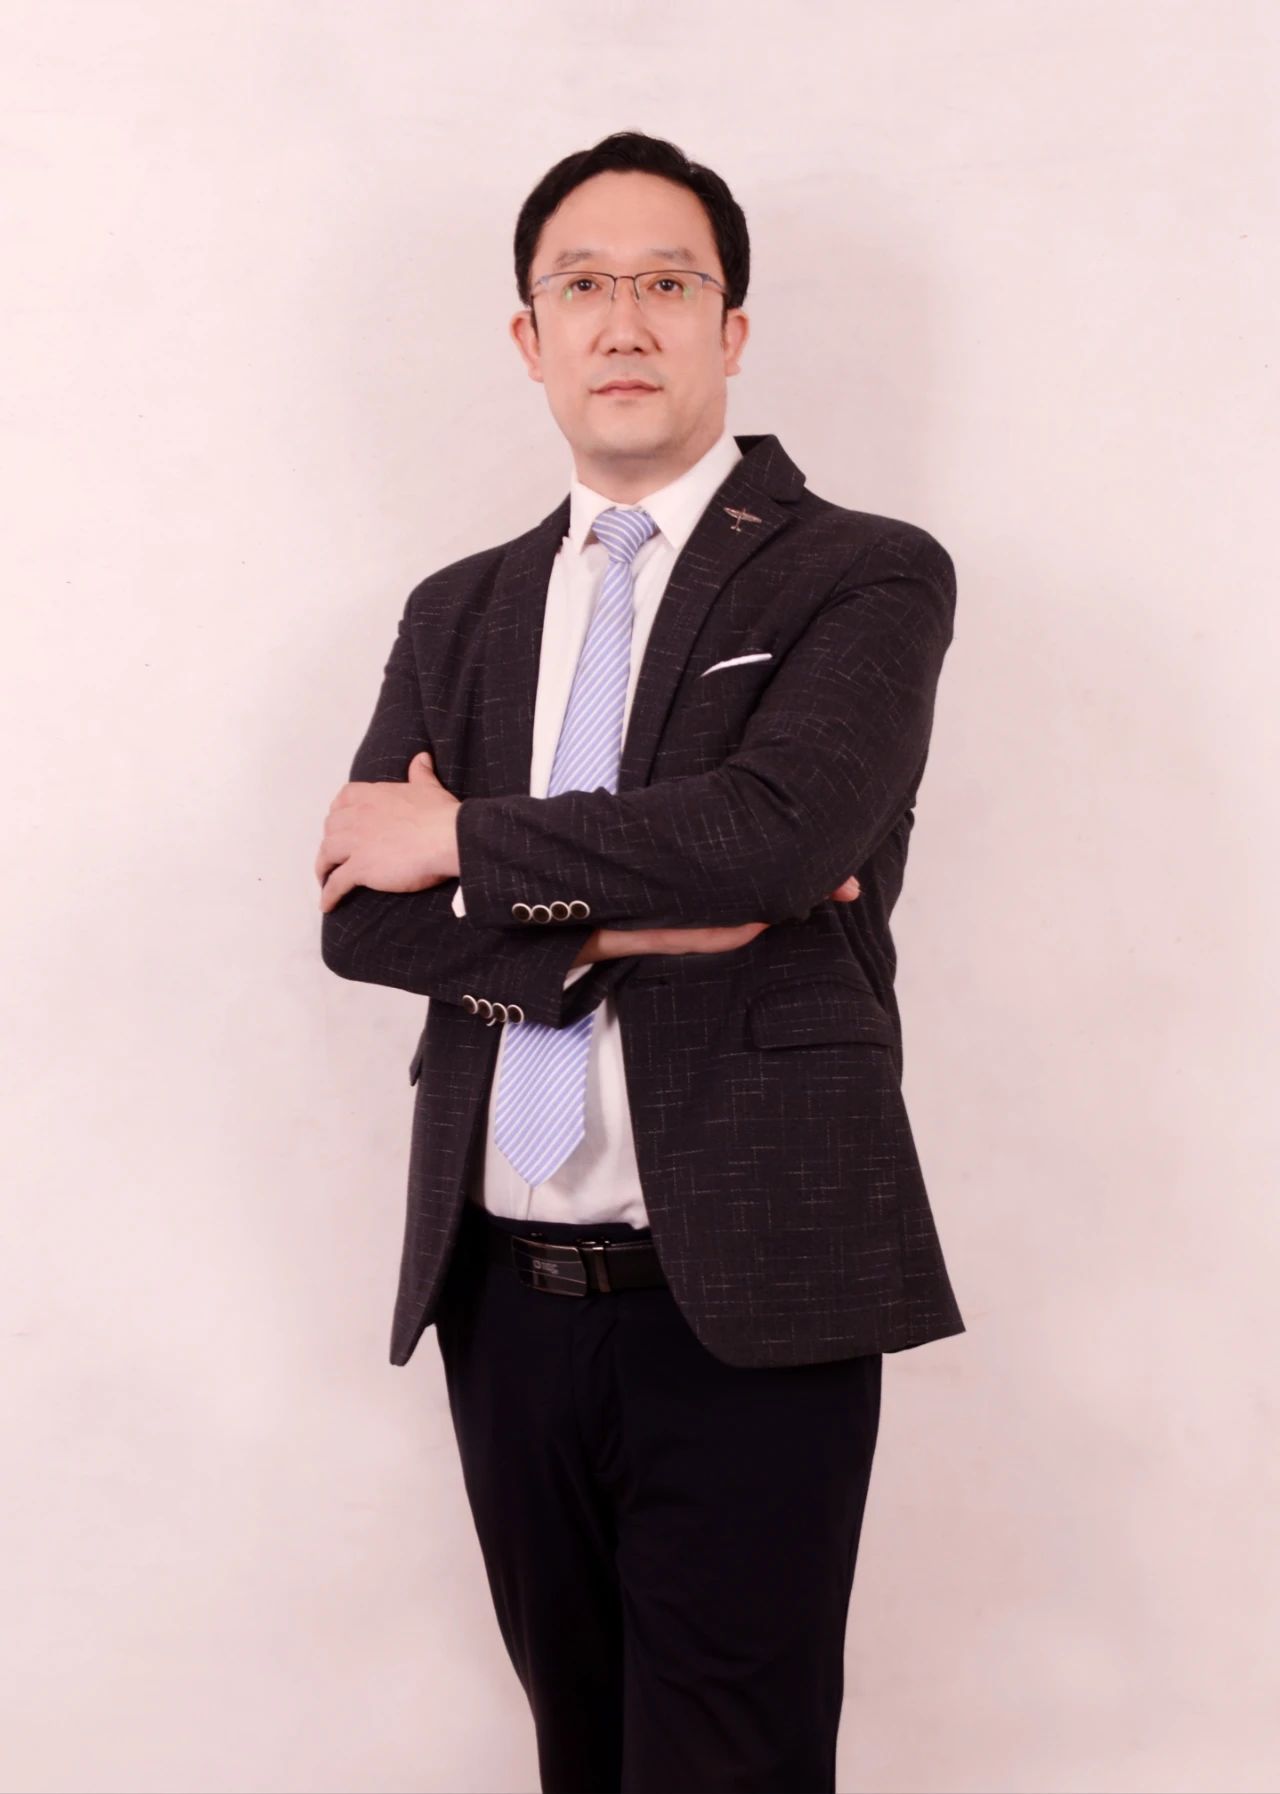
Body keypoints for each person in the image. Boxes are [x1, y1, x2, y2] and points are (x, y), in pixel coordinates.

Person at [316, 128, 965, 1794]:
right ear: (527, 336)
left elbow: (770, 833)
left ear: (730, 328)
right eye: (584, 285)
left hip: (747, 1291)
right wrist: (634, 916)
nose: (625, 320)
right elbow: (361, 912)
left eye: (668, 283)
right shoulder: (456, 611)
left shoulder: (862, 571)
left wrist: (466, 839)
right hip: (502, 1296)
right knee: (582, 1757)